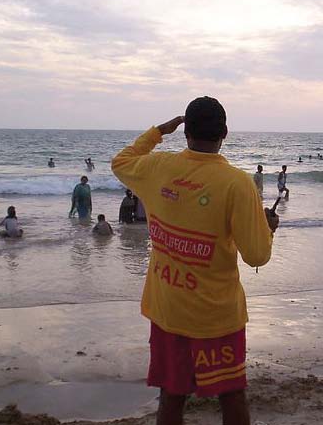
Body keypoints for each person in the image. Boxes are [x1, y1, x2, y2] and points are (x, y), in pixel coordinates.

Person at [111, 96, 279, 425]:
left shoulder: (158, 167)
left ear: (185, 132)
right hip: (215, 316)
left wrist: (159, 131)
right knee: (230, 394)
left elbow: (121, 162)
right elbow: (257, 255)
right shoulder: (237, 183)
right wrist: (268, 229)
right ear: (225, 133)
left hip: (167, 308)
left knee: (171, 396)